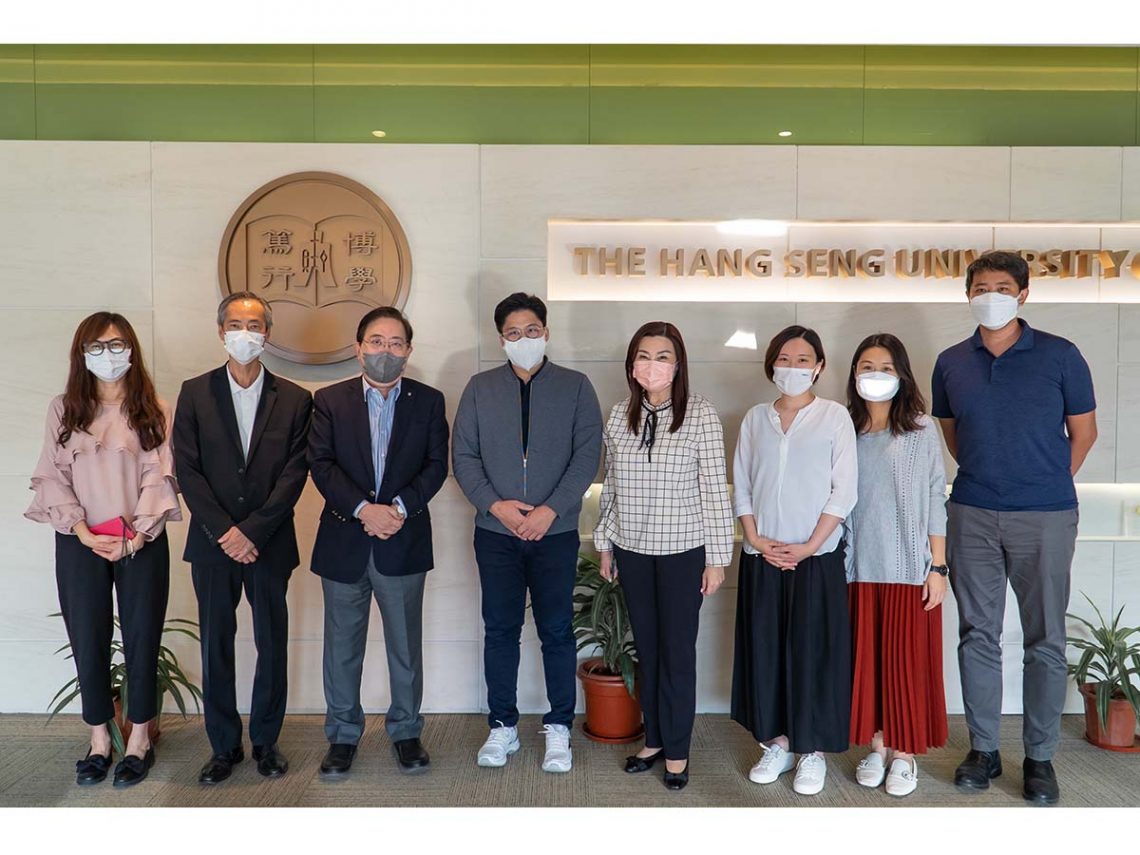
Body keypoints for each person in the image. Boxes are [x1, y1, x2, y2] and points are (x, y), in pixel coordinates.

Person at [932, 251, 1097, 806]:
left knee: (1044, 638)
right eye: (981, 286)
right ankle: (982, 749)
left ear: (1023, 294)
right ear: (968, 295)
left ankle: (1040, 758)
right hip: (973, 510)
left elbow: (1084, 432)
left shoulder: (1060, 355)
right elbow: (954, 435)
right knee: (977, 633)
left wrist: (1044, 481)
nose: (991, 294)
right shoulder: (951, 361)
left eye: (1002, 286)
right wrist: (992, 479)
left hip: (1046, 515)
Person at [26, 312, 181, 788]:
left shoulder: (154, 407)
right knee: (87, 638)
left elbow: (161, 472)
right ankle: (98, 737)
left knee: (141, 635)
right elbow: (52, 475)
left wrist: (138, 531)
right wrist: (82, 528)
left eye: (116, 345)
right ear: (81, 354)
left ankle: (139, 739)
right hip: (80, 541)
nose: (107, 355)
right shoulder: (63, 408)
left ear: (131, 349)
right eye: (96, 347)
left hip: (141, 539)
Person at [453, 292, 602, 774]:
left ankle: (559, 727)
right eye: (513, 333)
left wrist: (548, 511)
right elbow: (464, 457)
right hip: (495, 533)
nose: (524, 339)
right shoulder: (478, 388)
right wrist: (497, 507)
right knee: (500, 629)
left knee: (557, 630)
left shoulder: (576, 387)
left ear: (546, 332)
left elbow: (587, 457)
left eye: (532, 330)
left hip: (553, 533)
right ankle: (502, 726)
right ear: (501, 339)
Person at [173, 292, 312, 784]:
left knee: (272, 642)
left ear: (267, 333)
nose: (245, 333)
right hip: (212, 544)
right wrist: (225, 532)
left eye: (254, 325)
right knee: (217, 644)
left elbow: (295, 474)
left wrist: (251, 531)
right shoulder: (194, 392)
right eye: (236, 323)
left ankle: (267, 743)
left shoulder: (296, 398)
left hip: (270, 542)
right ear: (220, 331)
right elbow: (187, 470)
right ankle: (223, 746)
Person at [308, 306, 448, 778]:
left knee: (405, 646)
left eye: (394, 343)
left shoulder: (428, 401)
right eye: (375, 341)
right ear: (358, 348)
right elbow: (321, 464)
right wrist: (364, 510)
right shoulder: (329, 400)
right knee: (341, 647)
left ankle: (406, 732)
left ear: (408, 350)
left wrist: (398, 510)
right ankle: (343, 735)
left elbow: (435, 466)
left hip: (403, 540)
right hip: (345, 541)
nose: (384, 351)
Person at [594, 321, 733, 792]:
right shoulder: (617, 416)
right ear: (631, 364)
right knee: (648, 651)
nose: (652, 365)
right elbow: (610, 487)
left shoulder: (700, 414)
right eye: (644, 355)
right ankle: (653, 737)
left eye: (663, 356)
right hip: (632, 551)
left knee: (676, 653)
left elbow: (715, 491)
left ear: (678, 364)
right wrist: (605, 543)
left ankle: (677, 750)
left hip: (682, 553)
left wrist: (717, 558)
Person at [730, 324, 857, 797]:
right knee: (766, 651)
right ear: (771, 364)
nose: (793, 366)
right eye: (785, 357)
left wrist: (807, 546)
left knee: (812, 654)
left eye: (804, 359)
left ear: (819, 366)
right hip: (762, 554)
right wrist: (756, 539)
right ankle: (778, 743)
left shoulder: (834, 417)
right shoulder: (755, 418)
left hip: (816, 557)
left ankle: (811, 752)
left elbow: (844, 490)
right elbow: (741, 481)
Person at [845, 333, 949, 798]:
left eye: (885, 367)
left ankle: (905, 756)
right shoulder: (842, 427)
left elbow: (934, 496)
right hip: (856, 567)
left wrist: (939, 567)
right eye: (866, 365)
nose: (875, 375)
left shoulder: (920, 430)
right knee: (866, 664)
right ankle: (878, 745)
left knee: (905, 664)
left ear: (902, 374)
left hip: (909, 568)